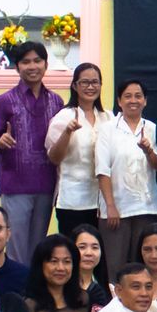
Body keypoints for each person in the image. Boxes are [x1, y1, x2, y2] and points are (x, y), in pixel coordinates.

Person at [0, 40, 65, 263]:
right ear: (17, 67)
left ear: (46, 65)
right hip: (15, 185)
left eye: (37, 60)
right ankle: (18, 296)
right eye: (25, 61)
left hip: (46, 185)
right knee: (17, 249)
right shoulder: (4, 101)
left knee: (39, 250)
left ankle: (35, 296)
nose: (32, 66)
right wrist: (0, 141)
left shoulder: (56, 101)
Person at [95, 76, 157, 275]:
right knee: (116, 266)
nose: (133, 100)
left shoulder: (151, 128)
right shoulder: (108, 129)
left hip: (146, 207)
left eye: (138, 96)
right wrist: (110, 206)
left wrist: (148, 150)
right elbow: (102, 170)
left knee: (143, 266)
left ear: (145, 100)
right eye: (128, 96)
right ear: (119, 101)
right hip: (117, 210)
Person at [47, 62, 110, 238]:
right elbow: (54, 158)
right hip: (73, 201)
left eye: (95, 82)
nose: (90, 87)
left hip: (102, 201)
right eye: (85, 82)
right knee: (74, 253)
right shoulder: (63, 117)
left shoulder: (108, 117)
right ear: (75, 86)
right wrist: (67, 132)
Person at [70, 223, 108, 309]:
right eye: (82, 247)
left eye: (95, 247)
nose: (89, 253)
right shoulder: (60, 287)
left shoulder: (110, 290)